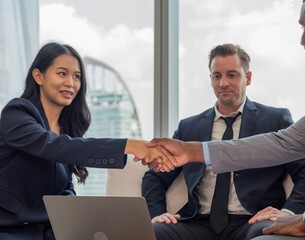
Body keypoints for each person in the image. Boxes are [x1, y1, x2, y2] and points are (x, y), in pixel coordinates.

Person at [147, 0, 305, 239]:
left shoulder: (286, 111)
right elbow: (281, 144)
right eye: (216, 75)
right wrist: (192, 151)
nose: (301, 40)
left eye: (303, 26)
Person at [142, 44, 305, 240]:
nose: (223, 83)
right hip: (197, 222)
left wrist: (289, 213)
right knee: (150, 234)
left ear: (248, 78)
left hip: (253, 220)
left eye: (232, 75)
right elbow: (155, 176)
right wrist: (157, 214)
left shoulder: (275, 119)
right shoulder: (188, 127)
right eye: (216, 76)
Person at [0, 42, 176, 239]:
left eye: (77, 77)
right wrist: (130, 145)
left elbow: (65, 193)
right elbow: (51, 146)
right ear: (38, 76)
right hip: (9, 229)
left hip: (49, 234)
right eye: (61, 73)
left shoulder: (66, 132)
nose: (70, 83)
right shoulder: (17, 113)